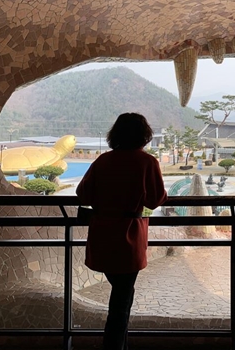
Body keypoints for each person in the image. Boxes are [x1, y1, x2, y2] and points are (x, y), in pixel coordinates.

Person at [76, 113, 167, 350]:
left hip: (103, 234)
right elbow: (156, 200)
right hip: (129, 238)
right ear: (144, 135)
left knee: (121, 296)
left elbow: (83, 194)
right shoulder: (147, 162)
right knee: (121, 300)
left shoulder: (103, 161)